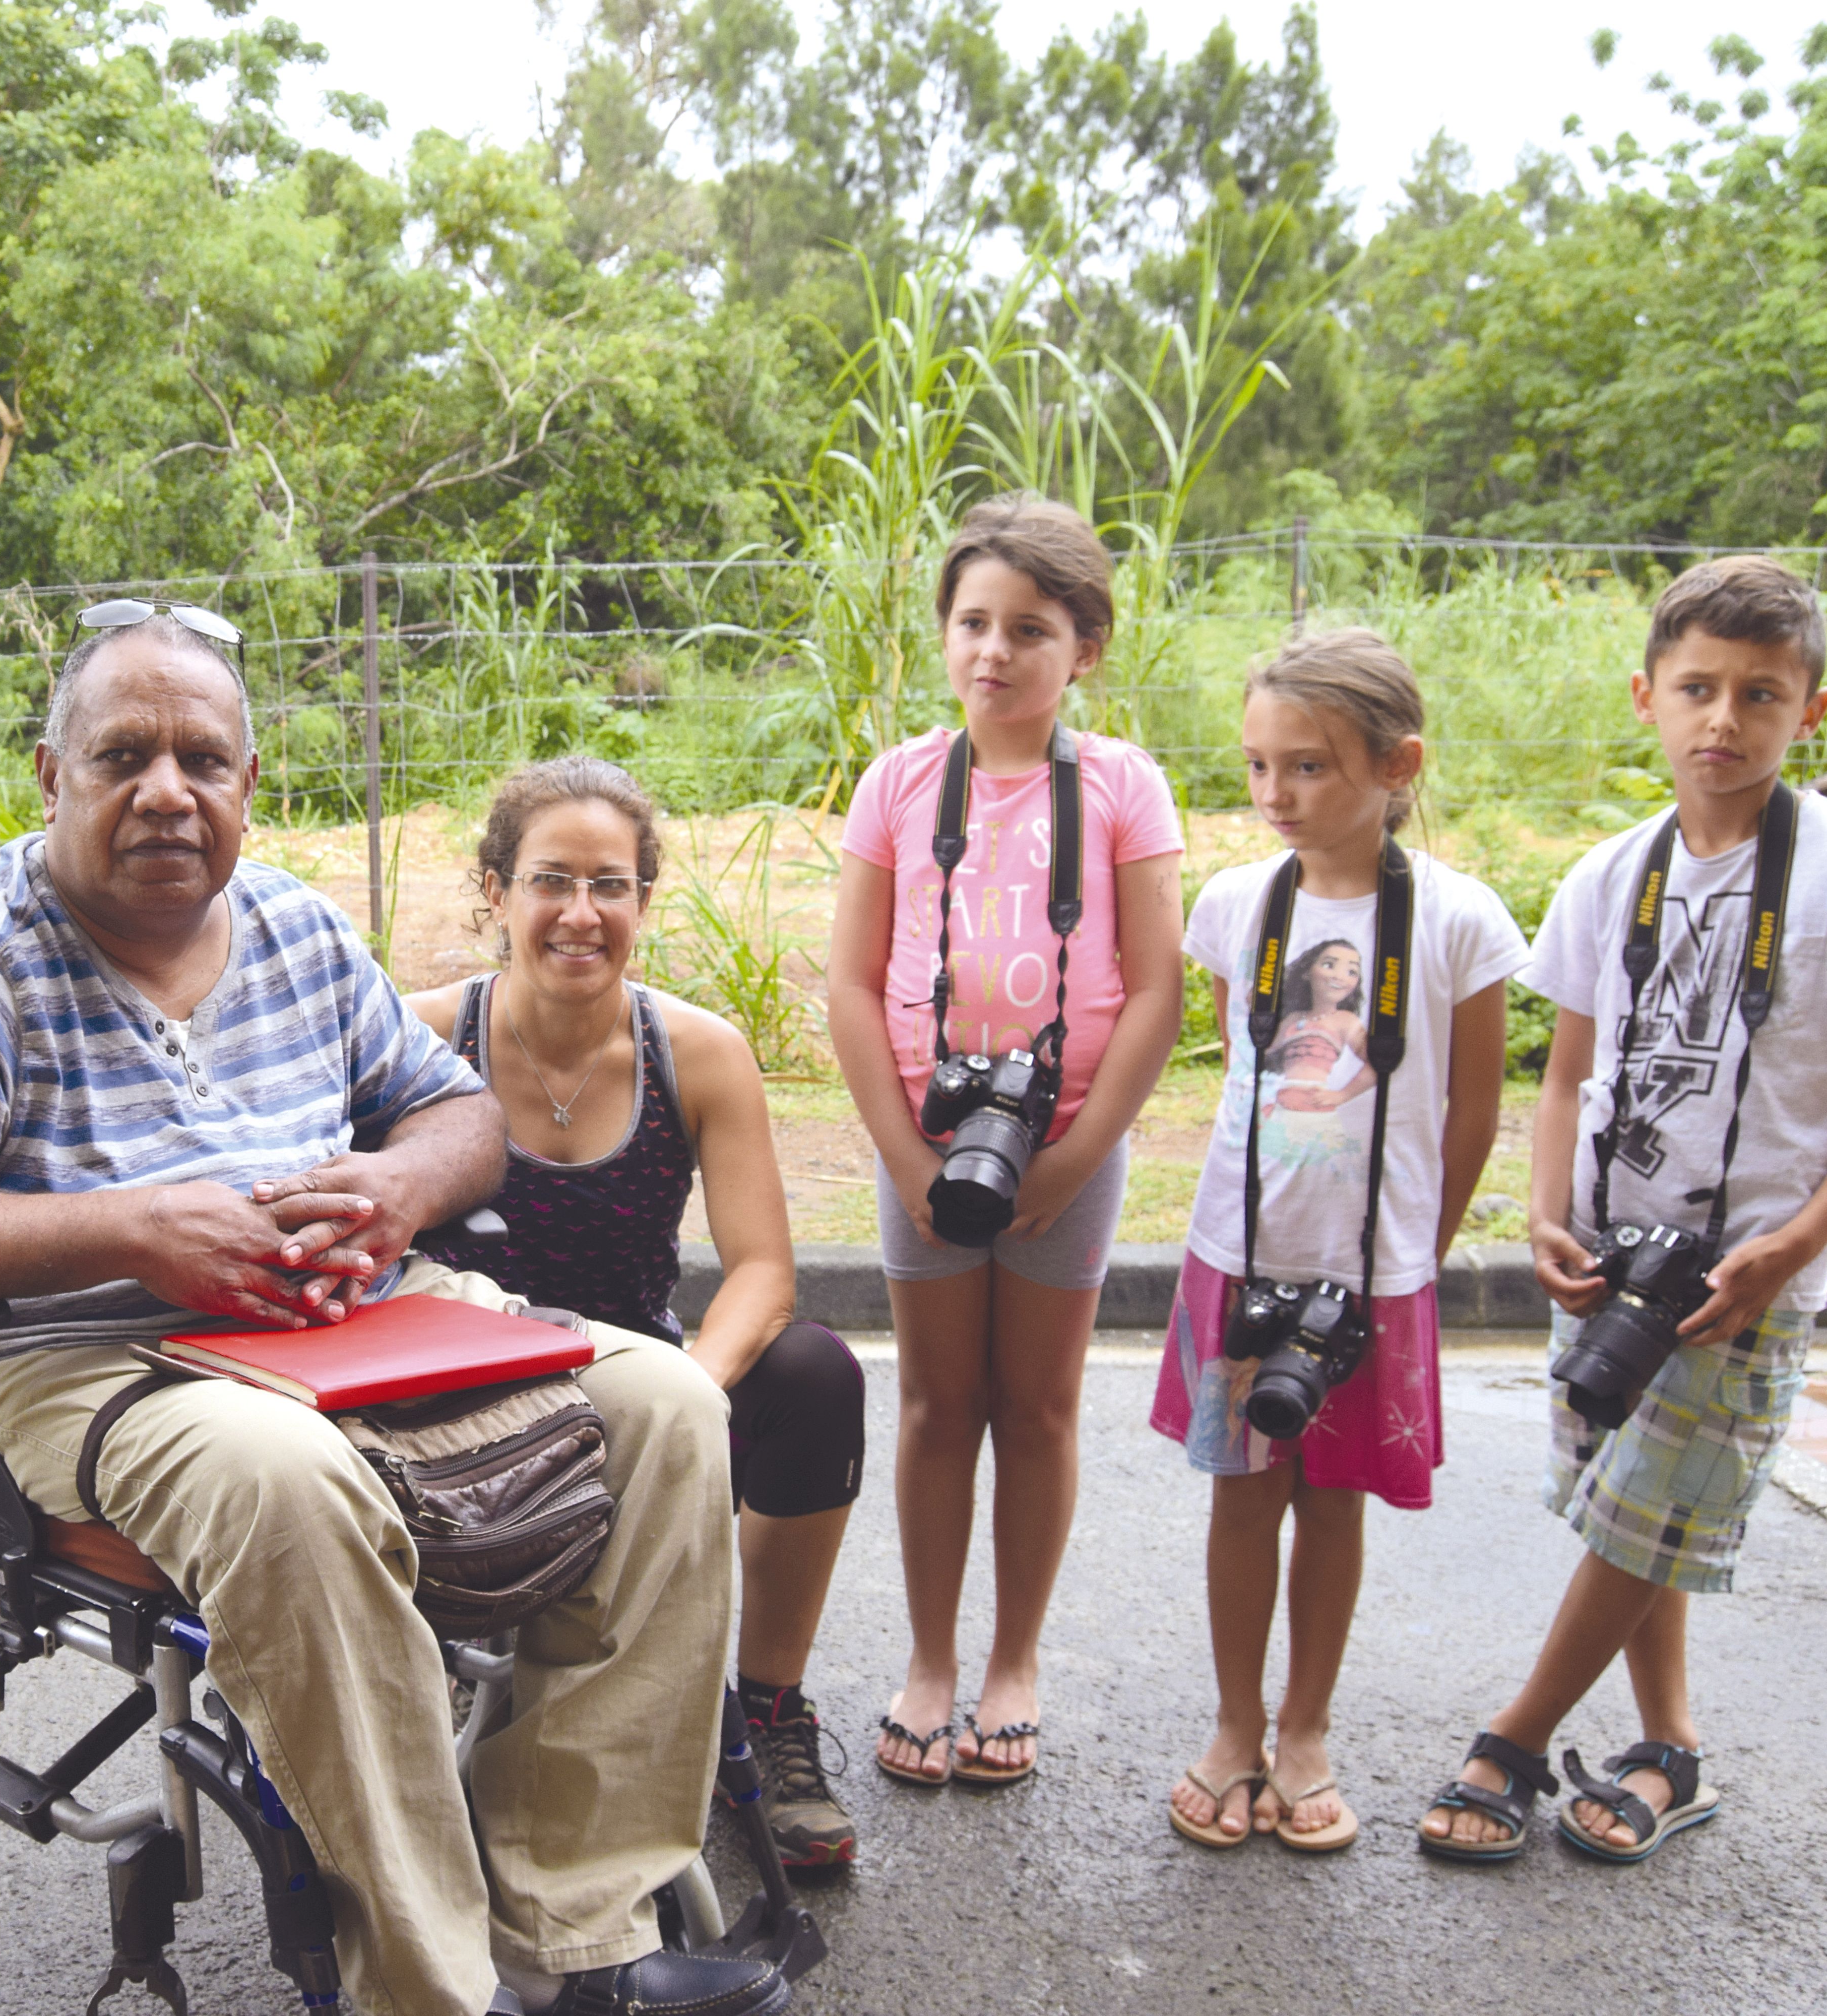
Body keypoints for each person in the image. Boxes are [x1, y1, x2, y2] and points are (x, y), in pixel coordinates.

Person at [0, 614, 784, 2016]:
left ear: (248, 785)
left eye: (202, 758)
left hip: (353, 1310)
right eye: (124, 756)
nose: (166, 789)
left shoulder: (297, 925)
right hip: (90, 1354)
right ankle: (431, 1982)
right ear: (54, 773)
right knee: (289, 1482)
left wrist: (397, 1186)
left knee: (666, 1410)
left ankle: (575, 1926)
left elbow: (454, 1111)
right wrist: (129, 1228)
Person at [1417, 557, 1827, 1863]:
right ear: (1645, 696)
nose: (1724, 719)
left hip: (1745, 1269)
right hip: (1610, 1255)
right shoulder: (1609, 873)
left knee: (1645, 1514)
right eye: (1697, 689)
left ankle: (1515, 1741)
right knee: (1631, 1516)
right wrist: (1546, 1215)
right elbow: (1567, 1073)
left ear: (1811, 712)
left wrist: (1801, 1239)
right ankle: (1669, 1751)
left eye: (1760, 694)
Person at [407, 758, 870, 1871]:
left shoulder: (697, 1050)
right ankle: (407, 1735)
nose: (580, 913)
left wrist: (694, 1394)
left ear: (644, 902)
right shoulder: (422, 1036)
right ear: (496, 893)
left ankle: (764, 1708)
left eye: (609, 885)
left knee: (816, 1375)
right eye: (550, 880)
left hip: (645, 1366)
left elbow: (762, 1270)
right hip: (470, 1386)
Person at [827, 492, 1186, 1789]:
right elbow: (853, 987)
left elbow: (1158, 989)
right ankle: (929, 1657)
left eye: (1029, 628)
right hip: (921, 1142)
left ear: (1083, 647)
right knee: (933, 1406)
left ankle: (1012, 1661)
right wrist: (906, 1159)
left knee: (1035, 1408)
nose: (994, 651)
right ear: (944, 635)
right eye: (972, 622)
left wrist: (1078, 1156)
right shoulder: (900, 783)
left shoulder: (1125, 787)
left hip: (1066, 1150)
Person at [1150, 631, 1526, 1853]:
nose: (1275, 795)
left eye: (1306, 766)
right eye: (1259, 765)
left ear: (1397, 762)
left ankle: (1305, 1730)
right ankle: (1232, 1726)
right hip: (1239, 1255)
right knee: (1242, 1492)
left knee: (1335, 1499)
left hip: (1374, 1272)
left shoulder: (1463, 919)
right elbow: (1245, 1079)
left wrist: (1419, 1245)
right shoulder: (1234, 903)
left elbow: (1474, 1108)